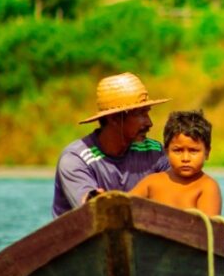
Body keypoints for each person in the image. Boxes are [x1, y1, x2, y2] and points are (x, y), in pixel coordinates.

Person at [52, 72, 170, 217]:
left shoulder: (155, 152)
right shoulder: (75, 160)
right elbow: (91, 209)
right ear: (114, 118)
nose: (149, 122)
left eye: (147, 113)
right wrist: (95, 200)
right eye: (140, 114)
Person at [129, 109, 222, 216]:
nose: (185, 158)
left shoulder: (207, 187)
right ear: (166, 152)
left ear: (207, 153)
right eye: (178, 150)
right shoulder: (151, 182)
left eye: (193, 151)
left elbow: (209, 228)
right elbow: (122, 205)